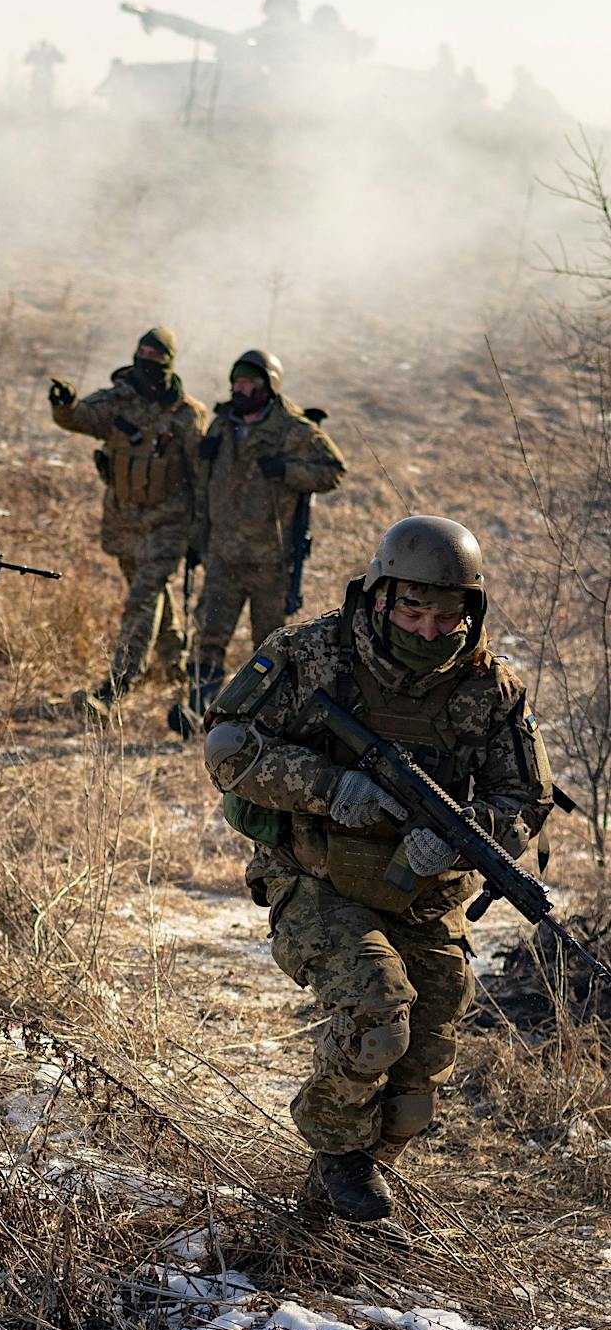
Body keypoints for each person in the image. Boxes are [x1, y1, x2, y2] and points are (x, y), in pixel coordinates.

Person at [202, 516, 552, 1225]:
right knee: (376, 1019)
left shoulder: (493, 689)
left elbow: (525, 798)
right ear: (381, 594)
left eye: (446, 616)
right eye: (413, 612)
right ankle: (334, 1146)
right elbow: (229, 747)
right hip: (317, 877)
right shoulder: (312, 654)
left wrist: (470, 836)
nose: (428, 631)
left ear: (471, 610)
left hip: (426, 898)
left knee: (417, 1084)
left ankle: (323, 1218)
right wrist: (329, 788)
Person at [48, 327, 207, 717]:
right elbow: (81, 417)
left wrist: (201, 530)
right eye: (142, 354)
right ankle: (174, 666)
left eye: (155, 357)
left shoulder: (186, 414)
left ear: (169, 363)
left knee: (143, 596)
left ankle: (116, 687)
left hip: (169, 522)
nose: (146, 364)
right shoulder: (118, 401)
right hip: (123, 519)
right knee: (151, 593)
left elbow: (202, 475)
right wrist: (64, 405)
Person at [187, 348, 345, 716]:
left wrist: (288, 471)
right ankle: (200, 710)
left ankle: (263, 717)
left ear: (268, 387)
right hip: (223, 554)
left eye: (248, 383)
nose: (239, 389)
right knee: (208, 637)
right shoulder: (222, 424)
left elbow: (332, 469)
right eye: (235, 382)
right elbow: (203, 485)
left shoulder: (291, 428)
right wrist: (198, 537)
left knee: (270, 647)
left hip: (270, 561)